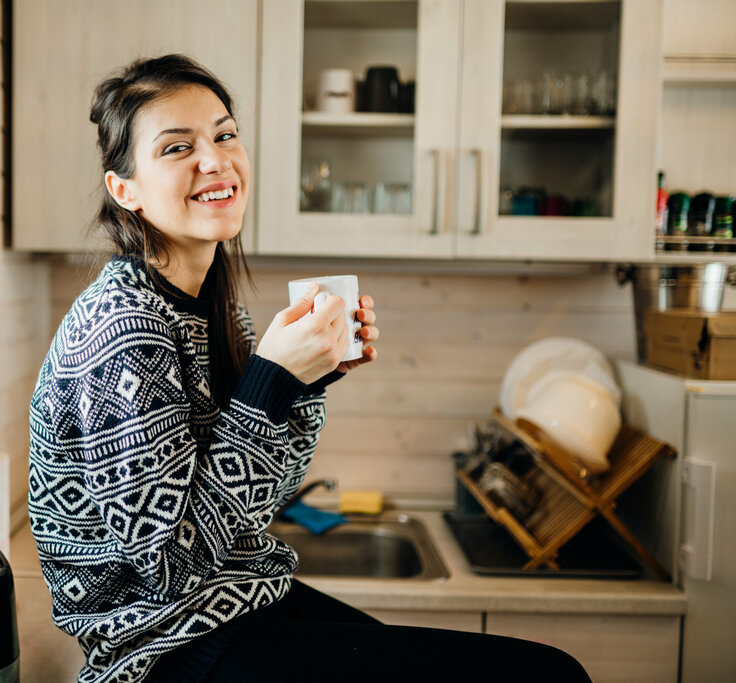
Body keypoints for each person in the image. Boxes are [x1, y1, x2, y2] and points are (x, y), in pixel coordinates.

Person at [29, 54, 590, 683]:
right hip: (163, 650)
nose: (214, 160)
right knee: (547, 676)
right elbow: (167, 566)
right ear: (124, 190)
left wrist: (304, 382)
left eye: (224, 135)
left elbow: (265, 497)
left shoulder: (215, 305)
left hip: (233, 607)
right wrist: (269, 384)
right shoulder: (123, 326)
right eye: (177, 147)